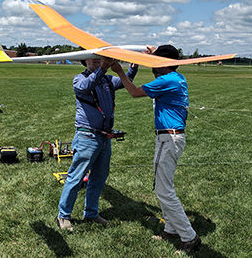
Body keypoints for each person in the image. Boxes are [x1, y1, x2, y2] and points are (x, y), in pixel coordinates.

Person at [111, 45, 201, 253]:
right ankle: (170, 228)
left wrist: (120, 71)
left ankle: (189, 237)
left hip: (168, 138)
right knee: (163, 185)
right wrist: (151, 58)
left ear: (163, 63)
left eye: (156, 61)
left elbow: (133, 92)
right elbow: (158, 70)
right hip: (172, 137)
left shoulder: (166, 80)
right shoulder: (177, 78)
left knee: (163, 190)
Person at [56, 57, 138, 231]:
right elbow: (86, 87)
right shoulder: (79, 79)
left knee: (99, 177)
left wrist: (134, 65)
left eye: (99, 60)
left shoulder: (108, 80)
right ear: (84, 61)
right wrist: (104, 69)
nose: (96, 62)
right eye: (92, 60)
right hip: (87, 136)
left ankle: (91, 213)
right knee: (76, 176)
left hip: (104, 137)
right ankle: (63, 216)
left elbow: (126, 81)